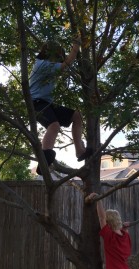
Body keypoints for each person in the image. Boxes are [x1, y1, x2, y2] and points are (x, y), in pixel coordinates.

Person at [29, 37, 92, 175]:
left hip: (48, 103)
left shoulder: (48, 65)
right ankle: (44, 160)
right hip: (36, 103)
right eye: (58, 57)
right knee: (54, 126)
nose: (59, 60)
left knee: (77, 116)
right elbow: (66, 64)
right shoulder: (41, 64)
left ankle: (79, 152)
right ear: (50, 54)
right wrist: (76, 46)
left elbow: (64, 66)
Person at [82, 193, 132, 269]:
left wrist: (98, 199)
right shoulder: (126, 236)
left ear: (108, 223)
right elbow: (123, 231)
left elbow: (101, 218)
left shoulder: (110, 237)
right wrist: (125, 228)